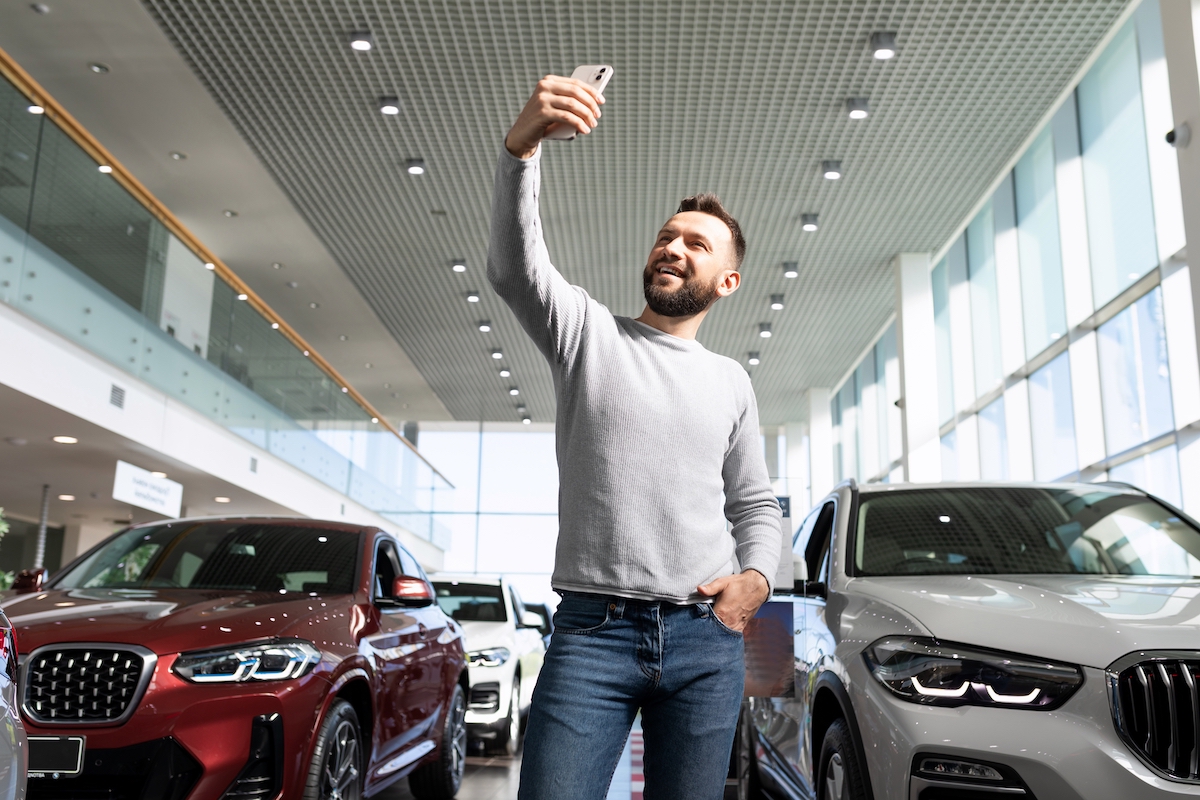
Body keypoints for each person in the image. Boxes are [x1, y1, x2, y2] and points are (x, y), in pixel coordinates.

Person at [488, 74, 783, 800]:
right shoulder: (588, 334)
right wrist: (521, 149)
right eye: (667, 236)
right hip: (593, 633)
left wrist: (757, 581)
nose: (674, 246)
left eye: (696, 242)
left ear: (728, 280)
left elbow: (756, 504)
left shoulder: (731, 382)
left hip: (704, 637)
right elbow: (514, 268)